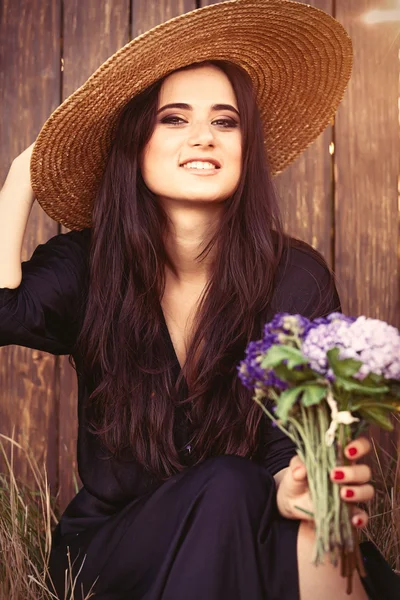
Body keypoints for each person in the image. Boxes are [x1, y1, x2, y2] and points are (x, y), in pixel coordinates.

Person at [0, 1, 399, 599]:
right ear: (135, 142)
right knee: (229, 487)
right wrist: (21, 176)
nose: (204, 137)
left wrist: (303, 484)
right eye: (174, 119)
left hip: (257, 528)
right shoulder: (88, 263)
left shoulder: (294, 276)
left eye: (226, 121)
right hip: (120, 548)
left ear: (247, 146)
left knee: (268, 504)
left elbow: (292, 446)